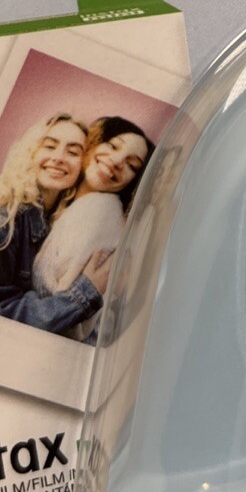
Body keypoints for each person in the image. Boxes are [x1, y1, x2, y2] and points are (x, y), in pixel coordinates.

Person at [0, 112, 110, 334]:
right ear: (30, 153)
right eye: (49, 146)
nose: (59, 157)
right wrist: (85, 294)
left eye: (73, 152)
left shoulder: (57, 217)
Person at [32, 118, 155, 333]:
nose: (117, 161)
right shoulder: (63, 202)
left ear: (133, 183)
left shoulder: (101, 209)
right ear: (93, 144)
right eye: (113, 146)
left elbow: (67, 316)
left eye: (132, 165)